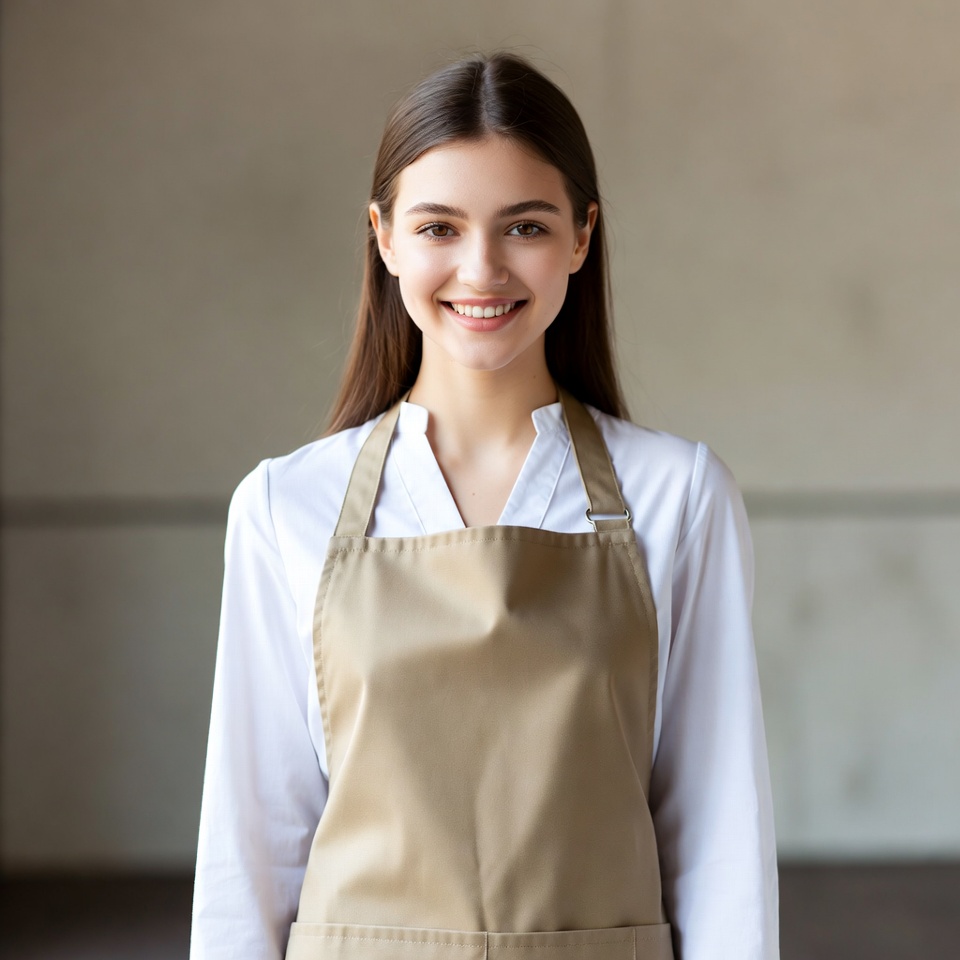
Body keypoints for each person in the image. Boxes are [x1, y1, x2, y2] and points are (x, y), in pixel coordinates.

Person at [190, 52, 779, 960]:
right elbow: (252, 847)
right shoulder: (284, 505)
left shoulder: (679, 496)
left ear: (582, 237)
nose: (481, 268)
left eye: (525, 227)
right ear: (383, 238)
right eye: (438, 227)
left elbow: (719, 835)